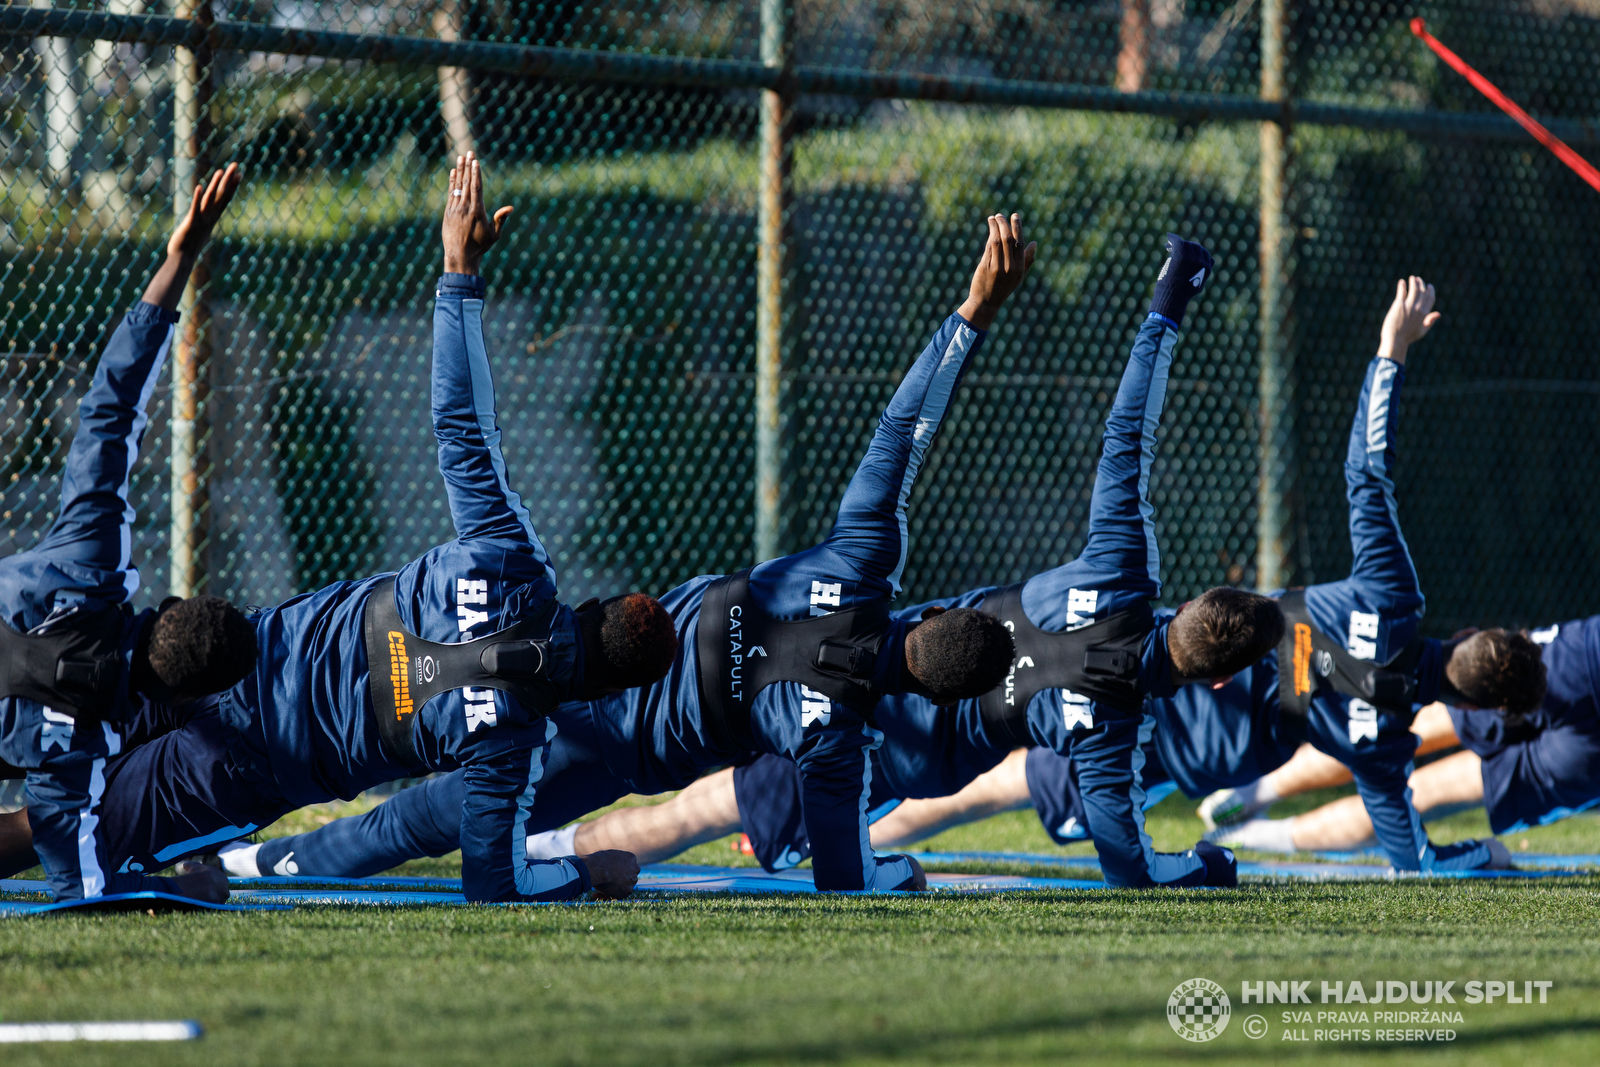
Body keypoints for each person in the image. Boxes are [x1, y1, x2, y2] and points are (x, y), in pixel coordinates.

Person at [215, 232, 1283, 890]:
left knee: (430, 758)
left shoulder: (879, 565)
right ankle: (270, 855)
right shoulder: (849, 738)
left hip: (597, 655)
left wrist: (996, 315)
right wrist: (882, 870)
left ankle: (247, 834)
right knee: (452, 814)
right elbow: (1110, 852)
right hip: (621, 746)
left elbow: (910, 436)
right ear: (1218, 676)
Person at [504, 276, 1544, 878]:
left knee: (756, 776)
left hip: (936, 696)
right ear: (1473, 700)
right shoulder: (1374, 736)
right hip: (1108, 740)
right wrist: (1193, 866)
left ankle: (549, 823)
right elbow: (1389, 841)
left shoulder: (1342, 593)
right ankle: (565, 833)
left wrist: (1365, 351)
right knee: (889, 795)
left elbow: (1139, 441)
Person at [0, 156, 676, 903]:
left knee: (63, 779)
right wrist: (596, 871)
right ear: (606, 689)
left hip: (242, 655)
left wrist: (459, 272)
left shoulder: (508, 555)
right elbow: (495, 880)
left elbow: (461, 425)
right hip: (242, 772)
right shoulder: (509, 749)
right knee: (57, 828)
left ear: (592, 604)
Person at [0, 164, 258, 901]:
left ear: (168, 608)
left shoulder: (91, 559)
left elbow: (111, 409)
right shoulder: (76, 750)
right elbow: (81, 890)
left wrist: (178, 260)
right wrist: (195, 889)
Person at [1208, 615, 1597, 852]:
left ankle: (1243, 802)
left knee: (1385, 732)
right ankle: (1247, 834)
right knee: (1421, 791)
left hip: (1580, 661)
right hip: (1581, 674)